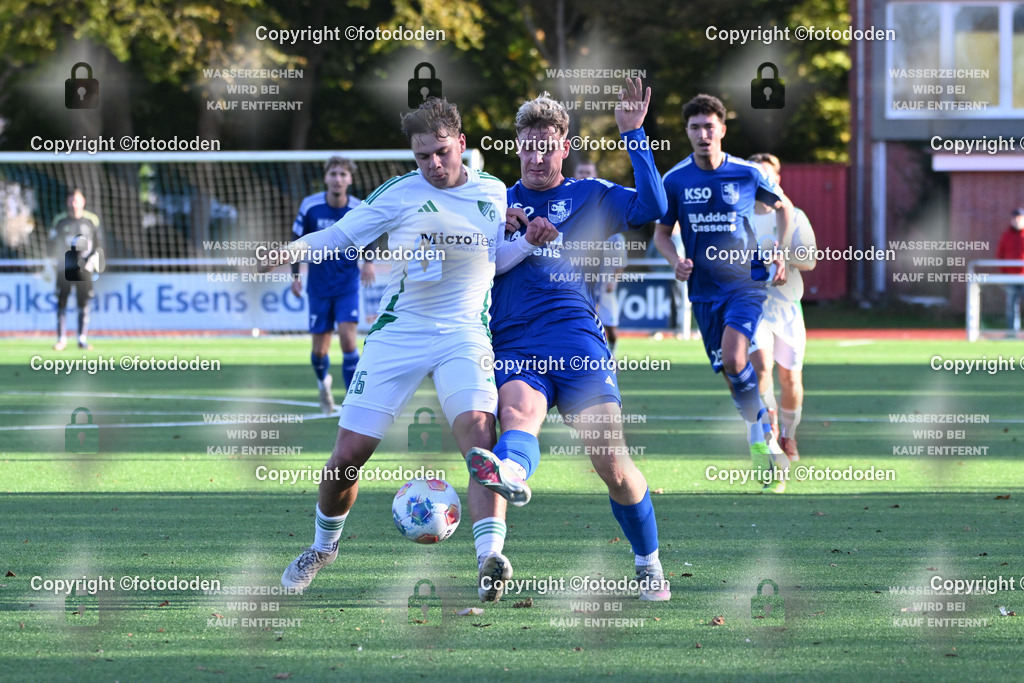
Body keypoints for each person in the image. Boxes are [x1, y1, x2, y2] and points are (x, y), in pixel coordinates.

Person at [265, 97, 558, 591]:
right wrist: (286, 253)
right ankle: (322, 548)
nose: (434, 165)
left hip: (463, 334)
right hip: (398, 334)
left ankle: (491, 559)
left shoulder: (492, 190)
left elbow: (495, 261)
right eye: (422, 156)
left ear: (461, 144)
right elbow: (339, 235)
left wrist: (527, 242)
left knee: (481, 441)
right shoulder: (399, 194)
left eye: (442, 152)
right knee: (346, 457)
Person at [465, 79, 672, 602]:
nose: (536, 156)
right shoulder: (492, 202)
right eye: (527, 145)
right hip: (514, 345)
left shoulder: (590, 196)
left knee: (614, 466)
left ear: (564, 147)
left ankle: (648, 562)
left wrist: (635, 135)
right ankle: (511, 471)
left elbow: (653, 206)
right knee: (515, 417)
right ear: (517, 147)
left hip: (578, 343)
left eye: (547, 145)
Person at [653, 94, 794, 492]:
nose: (702, 134)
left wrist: (780, 252)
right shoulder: (675, 179)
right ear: (687, 132)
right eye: (695, 127)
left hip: (745, 283)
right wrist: (674, 259)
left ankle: (759, 435)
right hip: (703, 292)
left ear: (722, 130)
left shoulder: (747, 173)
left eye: (709, 126)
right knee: (733, 375)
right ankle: (761, 430)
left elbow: (782, 207)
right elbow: (661, 234)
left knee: (736, 358)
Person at [290, 157, 375, 414]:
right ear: (326, 177)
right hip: (318, 286)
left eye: (343, 174)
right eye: (333, 174)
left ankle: (353, 405)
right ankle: (322, 383)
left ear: (349, 179)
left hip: (347, 285)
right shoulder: (311, 206)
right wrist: (295, 276)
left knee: (349, 342)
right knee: (319, 351)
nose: (338, 179)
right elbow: (295, 240)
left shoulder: (358, 208)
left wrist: (369, 262)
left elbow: (370, 236)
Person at [747, 153, 817, 461]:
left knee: (791, 379)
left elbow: (810, 259)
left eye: (769, 175)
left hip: (787, 310)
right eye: (758, 176)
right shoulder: (739, 215)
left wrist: (782, 257)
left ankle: (790, 435)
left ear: (778, 179)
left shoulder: (795, 215)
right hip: (752, 307)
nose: (765, 181)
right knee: (761, 367)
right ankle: (769, 425)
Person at [575, 160, 627, 357]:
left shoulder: (604, 199)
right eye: (581, 171)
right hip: (576, 282)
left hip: (604, 281)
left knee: (610, 325)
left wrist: (613, 279)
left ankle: (611, 353)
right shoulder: (566, 200)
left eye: (588, 172)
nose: (585, 175)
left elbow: (619, 252)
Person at [47, 188, 103, 350]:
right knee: (62, 302)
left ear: (83, 202)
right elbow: (51, 244)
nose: (74, 204)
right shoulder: (60, 221)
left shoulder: (91, 220)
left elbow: (98, 244)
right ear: (67, 202)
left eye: (77, 200)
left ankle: (82, 339)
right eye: (71, 200)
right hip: (64, 268)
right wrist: (52, 261)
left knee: (83, 303)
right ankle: (61, 339)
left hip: (84, 269)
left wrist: (92, 262)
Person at [995, 208, 1024, 333]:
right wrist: (1005, 273)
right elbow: (1000, 255)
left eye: (1020, 217)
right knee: (1011, 307)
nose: (1017, 220)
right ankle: (1012, 333)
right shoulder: (1006, 235)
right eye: (1015, 217)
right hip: (1011, 277)